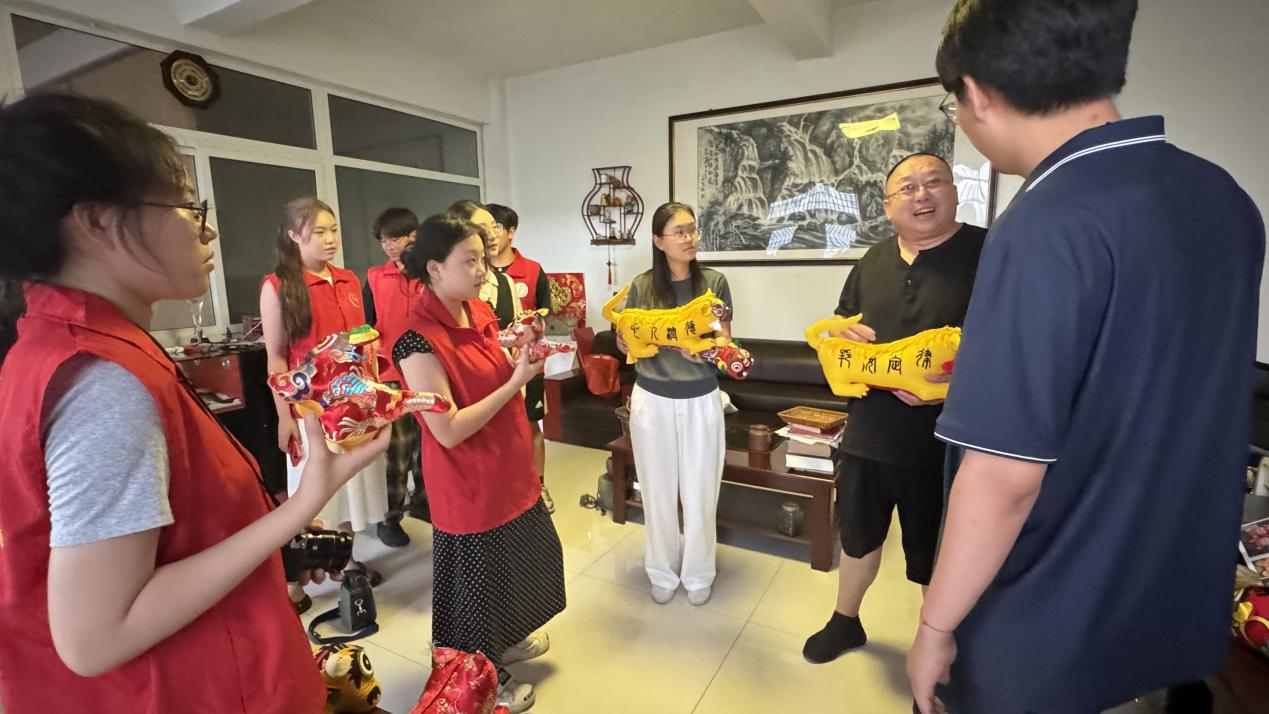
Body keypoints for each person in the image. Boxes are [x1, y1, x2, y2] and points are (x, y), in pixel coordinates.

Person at [907, 2, 1265, 713]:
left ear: (976, 92)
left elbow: (1004, 475)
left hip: (1049, 610)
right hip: (1170, 592)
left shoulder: (1046, 222)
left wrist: (934, 626)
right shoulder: (1223, 197)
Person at [0, 93, 387, 711]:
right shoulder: (102, 380)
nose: (208, 230)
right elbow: (95, 637)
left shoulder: (75, 343)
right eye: (186, 205)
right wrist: (302, 502)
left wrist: (269, 538)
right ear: (95, 222)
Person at [802, 154, 985, 665]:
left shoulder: (988, 252)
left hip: (948, 440)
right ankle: (845, 621)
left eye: (933, 182)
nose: (921, 195)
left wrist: (953, 387)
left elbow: (1018, 342)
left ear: (954, 191)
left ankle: (939, 649)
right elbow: (842, 323)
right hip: (870, 430)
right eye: (907, 187)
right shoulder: (873, 260)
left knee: (939, 551)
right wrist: (840, 334)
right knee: (858, 535)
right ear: (888, 206)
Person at [396, 212, 566, 713]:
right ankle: (480, 683)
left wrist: (516, 356)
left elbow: (488, 369)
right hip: (468, 484)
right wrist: (516, 382)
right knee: (476, 594)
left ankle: (503, 646)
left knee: (520, 565)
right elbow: (447, 429)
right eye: (468, 261)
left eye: (482, 259)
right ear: (434, 268)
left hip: (507, 467)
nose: (481, 270)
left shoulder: (478, 311)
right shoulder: (416, 341)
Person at [260, 197, 391, 599]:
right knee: (313, 494)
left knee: (349, 488)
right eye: (319, 232)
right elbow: (276, 357)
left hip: (352, 406)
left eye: (333, 230)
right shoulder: (278, 286)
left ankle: (344, 561)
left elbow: (360, 342)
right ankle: (296, 580)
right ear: (293, 236)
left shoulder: (348, 280)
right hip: (310, 411)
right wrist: (284, 416)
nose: (331, 239)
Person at [618, 202, 732, 606]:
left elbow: (725, 341)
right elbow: (628, 340)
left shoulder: (714, 283)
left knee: (701, 491)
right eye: (680, 232)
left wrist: (706, 351)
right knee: (657, 490)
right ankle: (661, 570)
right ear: (658, 241)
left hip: (701, 398)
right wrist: (626, 341)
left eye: (693, 230)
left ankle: (699, 573)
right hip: (652, 399)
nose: (689, 238)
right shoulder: (642, 286)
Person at [363, 207, 429, 545]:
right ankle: (389, 518)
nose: (389, 246)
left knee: (428, 444)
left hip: (429, 371)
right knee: (398, 449)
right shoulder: (375, 277)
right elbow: (364, 323)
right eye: (384, 240)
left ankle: (424, 502)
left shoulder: (430, 273)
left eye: (395, 238)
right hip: (389, 375)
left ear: (414, 236)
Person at [486, 203, 553, 512]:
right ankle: (506, 489)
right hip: (489, 368)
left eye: (497, 227)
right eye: (486, 228)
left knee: (530, 426)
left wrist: (527, 337)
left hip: (526, 364)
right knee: (495, 433)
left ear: (511, 232)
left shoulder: (533, 270)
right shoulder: (476, 272)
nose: (491, 234)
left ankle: (539, 487)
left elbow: (545, 316)